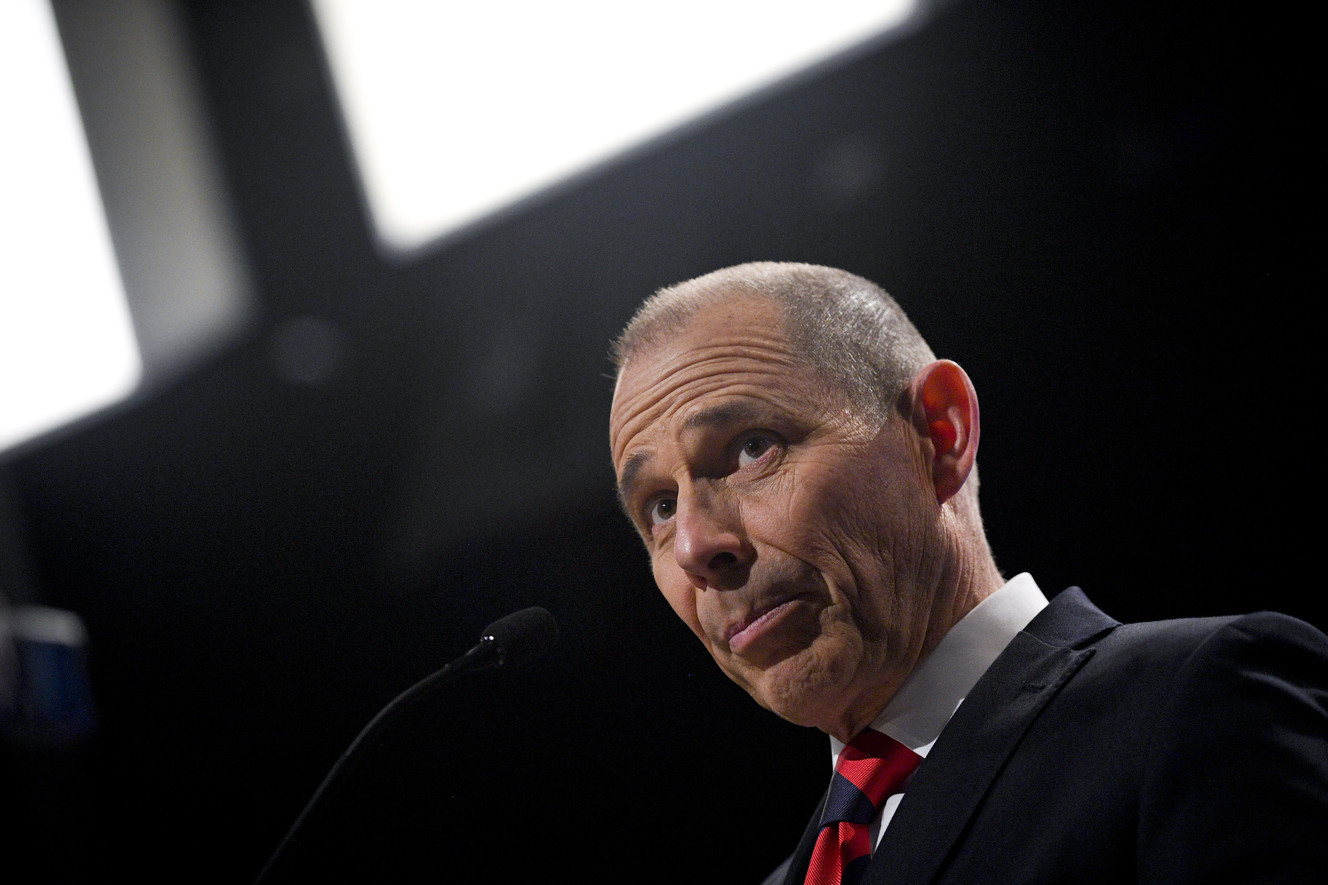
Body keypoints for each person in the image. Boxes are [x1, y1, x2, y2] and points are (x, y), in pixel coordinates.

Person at [607, 261, 1328, 884]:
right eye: (660, 506)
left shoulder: (1194, 704)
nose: (697, 545)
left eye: (751, 447)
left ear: (939, 432)